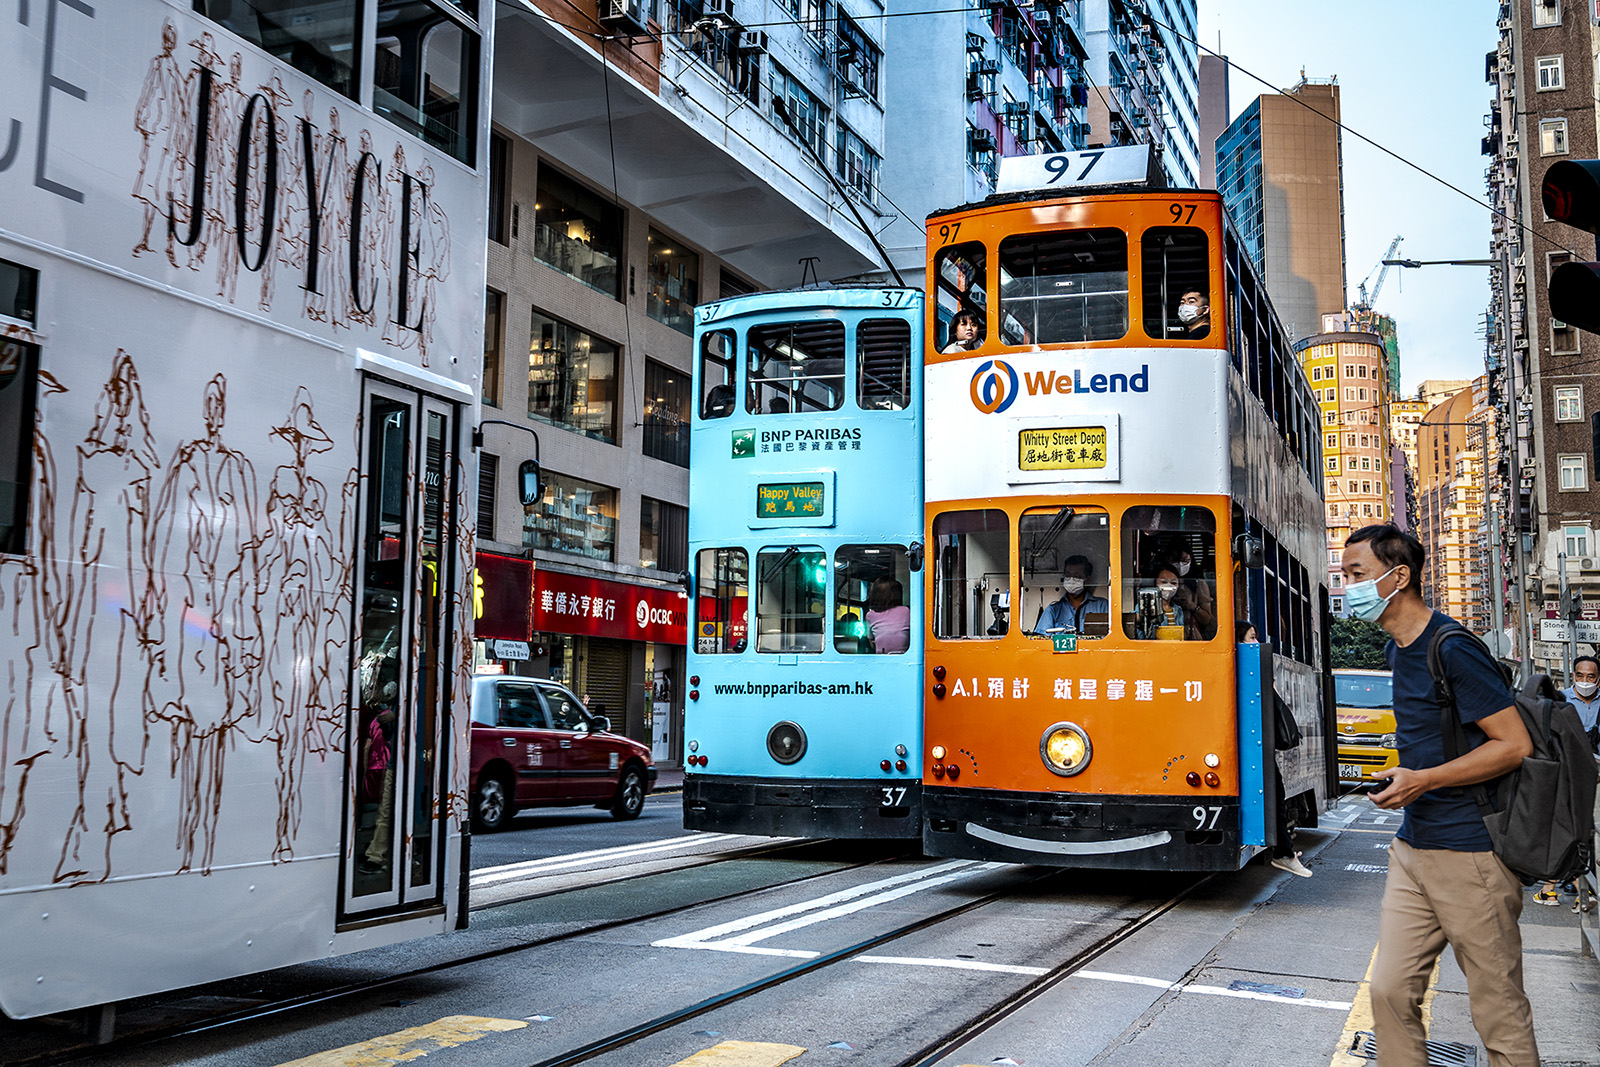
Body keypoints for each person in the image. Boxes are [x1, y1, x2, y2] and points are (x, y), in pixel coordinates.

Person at [1342, 523, 1538, 1067]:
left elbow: (1513, 745)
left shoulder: (1452, 648)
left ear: (1398, 576)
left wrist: (1423, 780)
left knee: (1497, 1007)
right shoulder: (1395, 649)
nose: (1345, 585)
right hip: (1414, 849)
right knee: (1388, 991)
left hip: (1471, 853)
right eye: (1344, 574)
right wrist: (1406, 777)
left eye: (1356, 574)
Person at [1237, 619, 1312, 877]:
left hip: (1254, 747)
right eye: (1251, 637)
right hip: (1251, 749)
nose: (1256, 643)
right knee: (1273, 793)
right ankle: (1284, 853)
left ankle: (1285, 852)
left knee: (1275, 793)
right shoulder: (1246, 666)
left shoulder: (1250, 666)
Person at [1534, 655, 1600, 909]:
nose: (1585, 681)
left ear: (1598, 679)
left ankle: (1556, 889)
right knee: (1569, 831)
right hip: (1567, 778)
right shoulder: (1559, 701)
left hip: (1594, 780)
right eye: (1580, 676)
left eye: (1590, 677)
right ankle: (1577, 888)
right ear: (1573, 676)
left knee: (1580, 833)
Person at [1033, 555, 1110, 637]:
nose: (1071, 580)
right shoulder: (1053, 610)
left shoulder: (1102, 607)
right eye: (1068, 575)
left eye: (1077, 576)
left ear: (1088, 579)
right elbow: (1041, 640)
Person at [1136, 562, 1198, 640]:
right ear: (1155, 583)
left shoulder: (1178, 610)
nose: (1168, 585)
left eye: (1173, 583)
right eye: (1164, 582)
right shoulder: (1144, 606)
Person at [1169, 546, 1217, 639]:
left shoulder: (1198, 584)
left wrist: (1192, 606)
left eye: (1184, 560)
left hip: (1191, 636)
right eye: (1176, 560)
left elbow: (1207, 619)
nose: (1180, 564)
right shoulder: (1164, 582)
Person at [865, 577, 911, 654]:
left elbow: (871, 641)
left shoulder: (870, 615)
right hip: (904, 655)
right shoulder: (906, 611)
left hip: (881, 657)